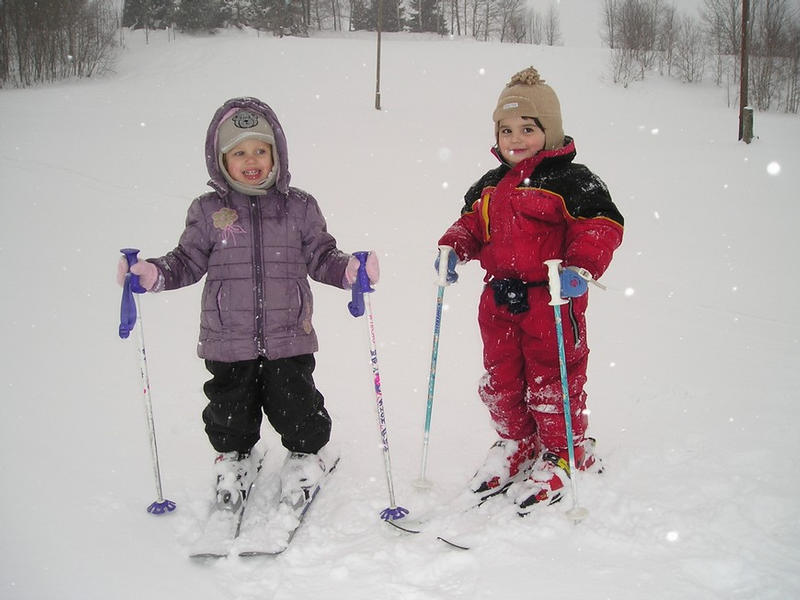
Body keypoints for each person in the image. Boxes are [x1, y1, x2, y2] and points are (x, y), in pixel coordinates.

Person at [117, 97, 378, 512]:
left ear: (277, 153)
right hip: (227, 337)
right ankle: (236, 458)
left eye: (260, 149)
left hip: (289, 334)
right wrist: (151, 273)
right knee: (228, 409)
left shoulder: (299, 207)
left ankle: (307, 455)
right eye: (239, 152)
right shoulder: (208, 211)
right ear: (221, 160)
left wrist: (348, 270)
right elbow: (185, 261)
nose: (251, 160)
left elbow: (321, 255)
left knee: (296, 403)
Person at [436, 67, 624, 514]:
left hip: (552, 298)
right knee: (501, 378)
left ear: (550, 131)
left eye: (528, 129)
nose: (515, 139)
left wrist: (581, 265)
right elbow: (471, 225)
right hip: (499, 298)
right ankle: (516, 440)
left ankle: (564, 450)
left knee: (552, 378)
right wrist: (454, 246)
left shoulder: (573, 180)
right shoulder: (489, 184)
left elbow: (602, 226)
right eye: (506, 130)